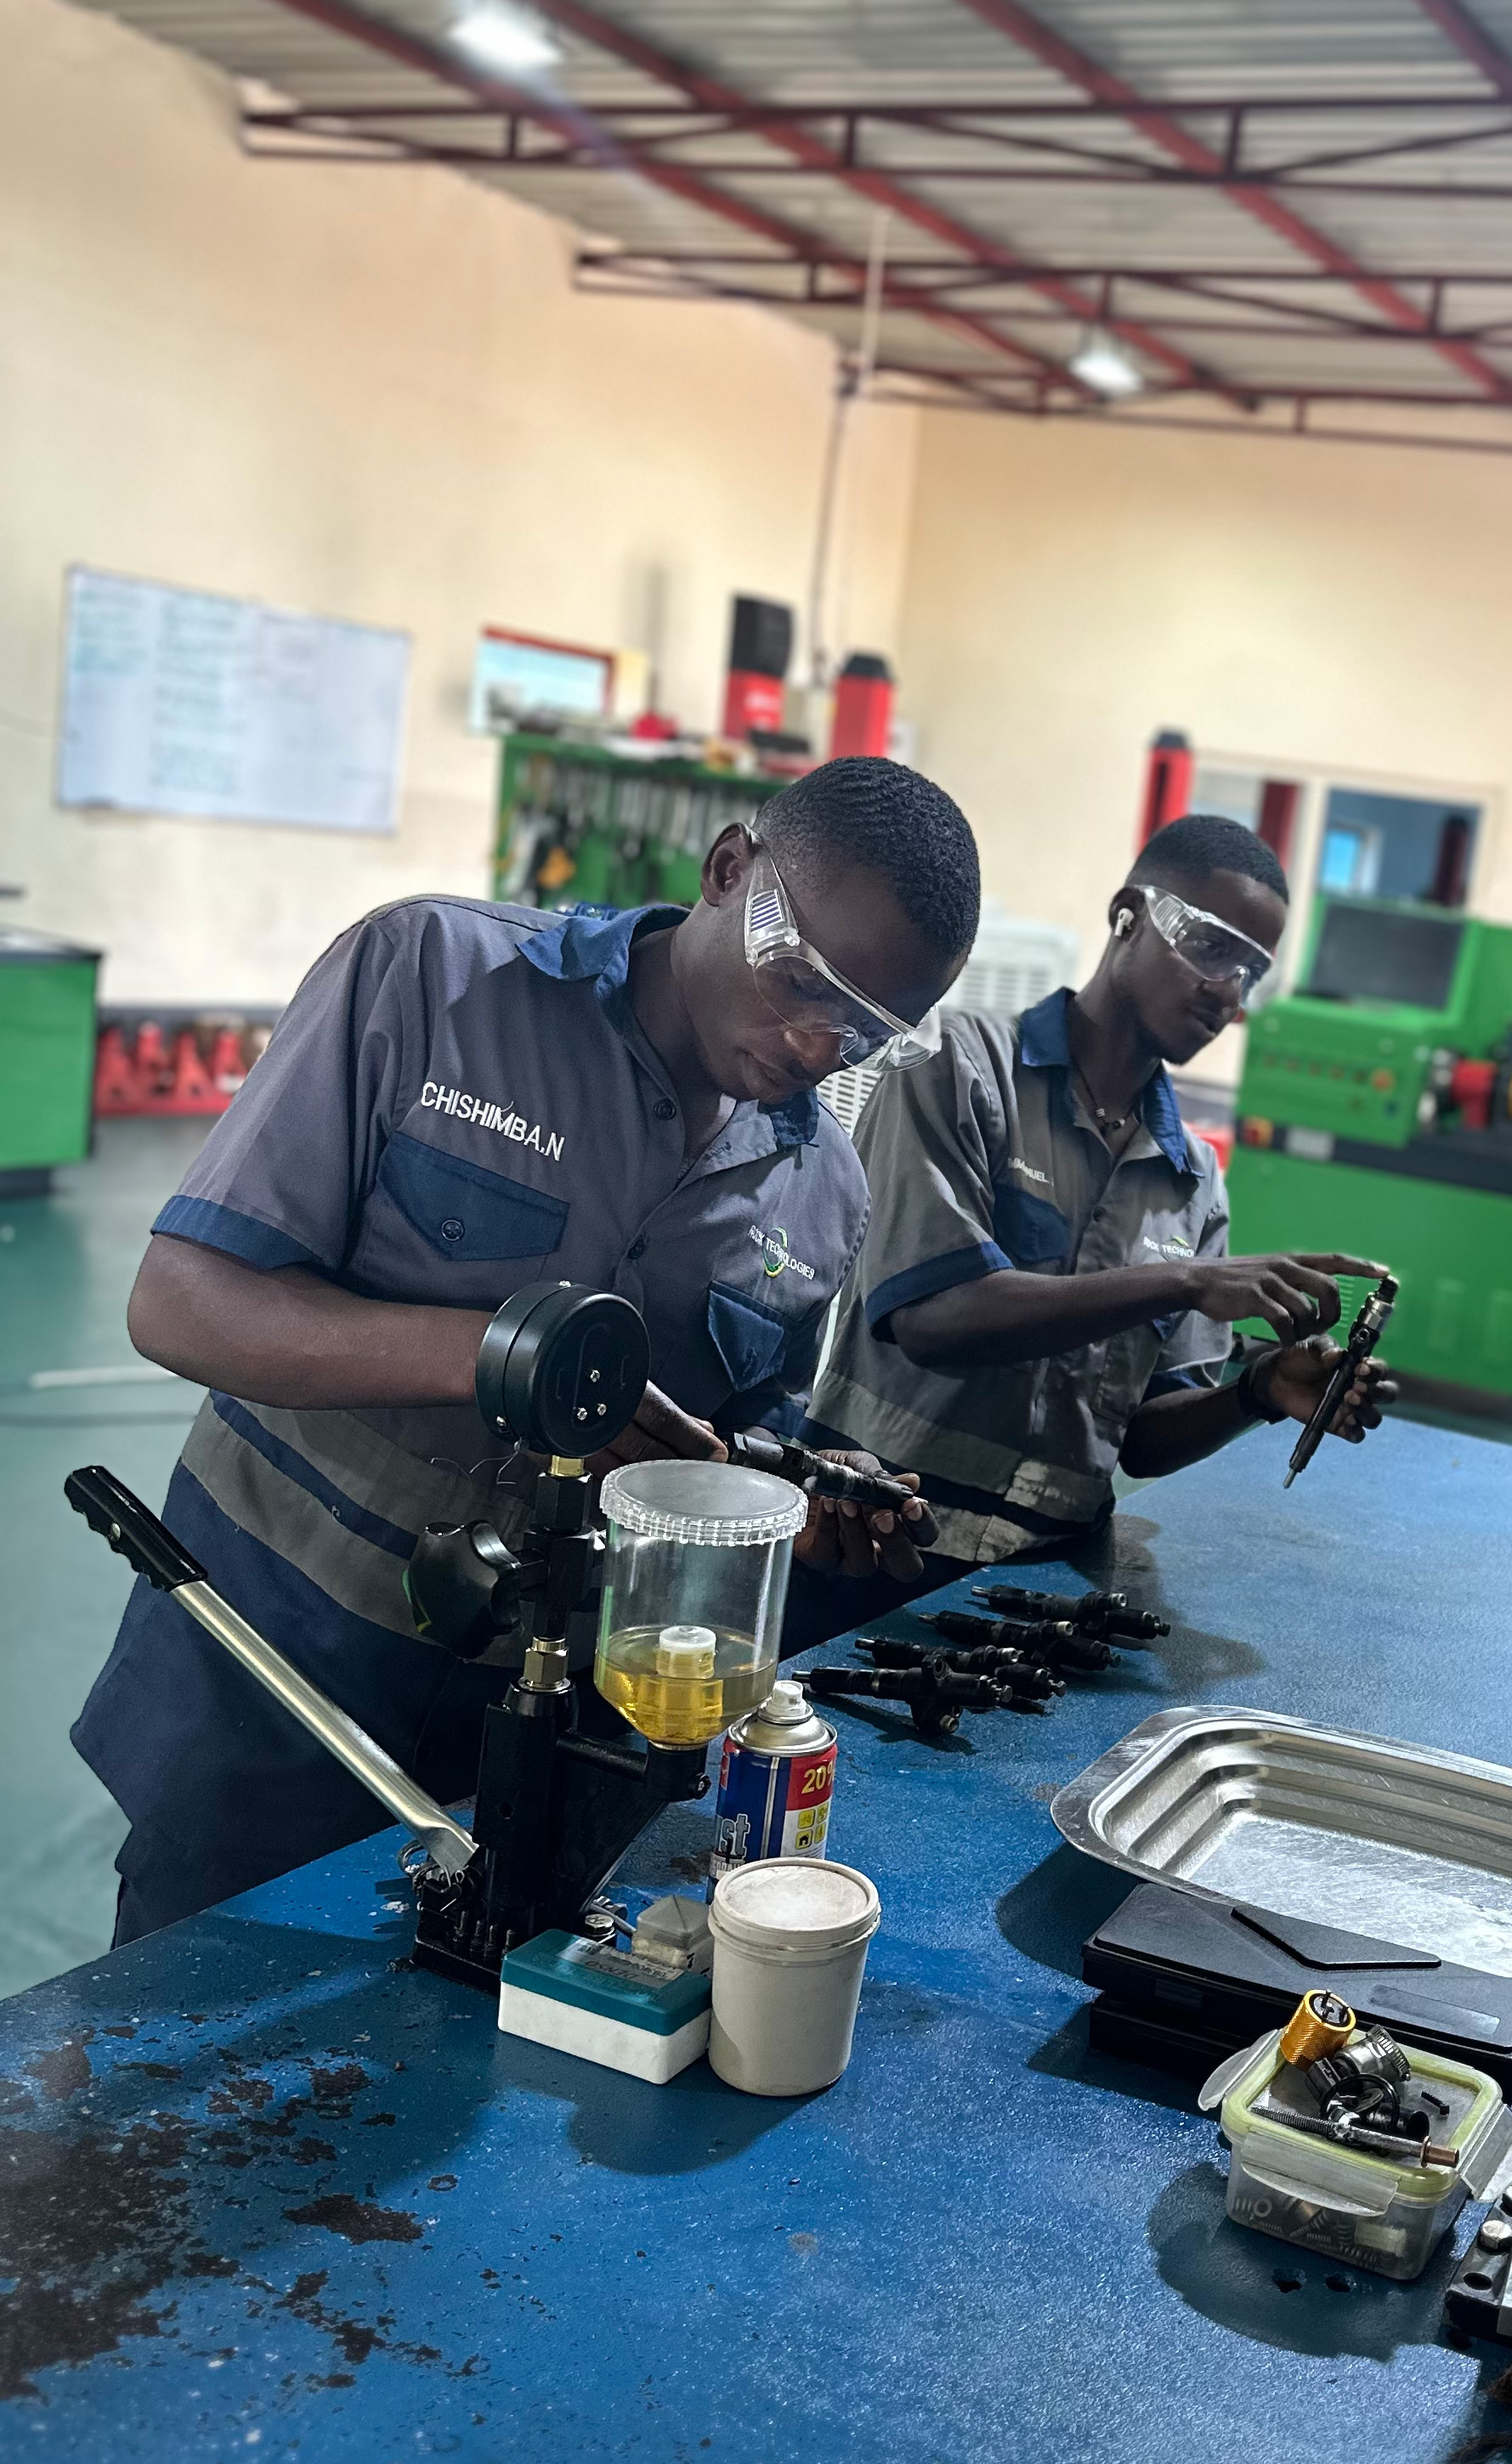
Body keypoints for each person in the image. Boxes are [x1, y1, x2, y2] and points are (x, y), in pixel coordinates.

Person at [76, 758, 980, 1942]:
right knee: (186, 2030)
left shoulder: (823, 1194)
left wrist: (786, 1501)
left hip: (537, 1743)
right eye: (803, 977)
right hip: (271, 1680)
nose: (819, 1041)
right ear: (728, 869)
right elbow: (180, 1302)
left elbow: (711, 1467)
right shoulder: (434, 978)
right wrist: (504, 1355)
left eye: (868, 1030)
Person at [807, 811, 1394, 1569]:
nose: (1227, 992)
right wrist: (1184, 1280)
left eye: (1250, 973)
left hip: (1045, 1574)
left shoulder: (1192, 1183)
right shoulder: (958, 1067)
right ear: (1128, 916)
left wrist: (1257, 1391)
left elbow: (1142, 1438)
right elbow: (935, 1319)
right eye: (1212, 947)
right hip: (872, 1540)